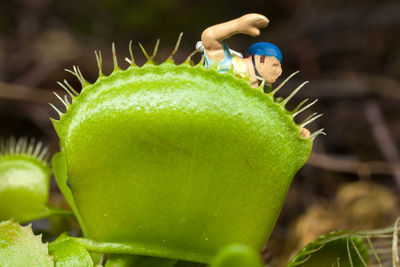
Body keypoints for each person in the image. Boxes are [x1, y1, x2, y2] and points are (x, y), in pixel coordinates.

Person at [199, 13, 283, 88]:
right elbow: (209, 37)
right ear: (262, 59)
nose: (280, 72)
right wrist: (237, 25)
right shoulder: (229, 65)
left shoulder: (256, 92)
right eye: (275, 65)